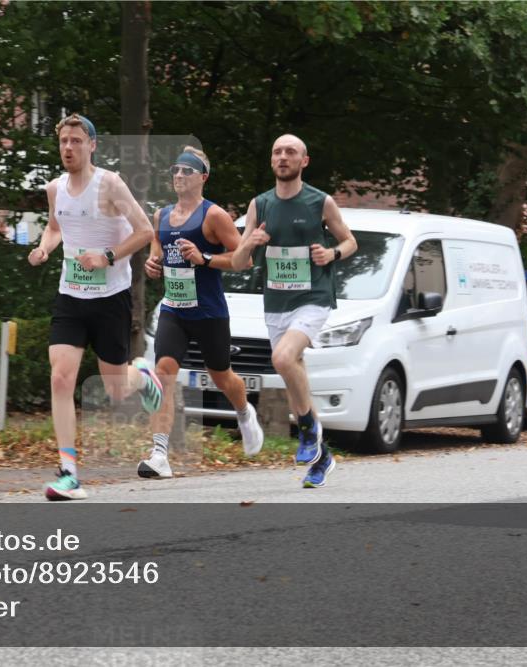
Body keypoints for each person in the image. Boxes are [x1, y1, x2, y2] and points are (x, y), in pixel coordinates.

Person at [28, 113, 162, 501]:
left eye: (76, 141)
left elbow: (144, 232)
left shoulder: (110, 184)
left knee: (116, 389)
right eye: (63, 142)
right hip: (71, 295)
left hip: (110, 298)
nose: (68, 148)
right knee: (60, 377)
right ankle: (68, 471)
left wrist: (107, 255)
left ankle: (143, 377)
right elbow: (56, 227)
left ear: (92, 146)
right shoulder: (55, 189)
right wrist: (44, 248)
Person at [231, 134, 357, 488]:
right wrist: (250, 242)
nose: (283, 157)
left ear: (304, 161)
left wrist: (331, 254)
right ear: (272, 161)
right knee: (294, 373)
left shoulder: (321, 202)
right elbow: (239, 262)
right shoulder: (260, 205)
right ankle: (322, 457)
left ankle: (305, 431)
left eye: (291, 152)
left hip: (314, 297)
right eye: (277, 152)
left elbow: (350, 241)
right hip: (276, 304)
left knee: (284, 359)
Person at [139, 147, 264, 479]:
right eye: (175, 170)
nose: (179, 175)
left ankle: (244, 412)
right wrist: (153, 263)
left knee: (221, 374)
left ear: (203, 177)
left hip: (208, 312)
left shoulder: (215, 216)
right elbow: (157, 250)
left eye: (187, 171)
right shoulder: (161, 216)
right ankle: (160, 454)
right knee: (163, 370)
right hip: (174, 309)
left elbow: (244, 260)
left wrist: (204, 258)